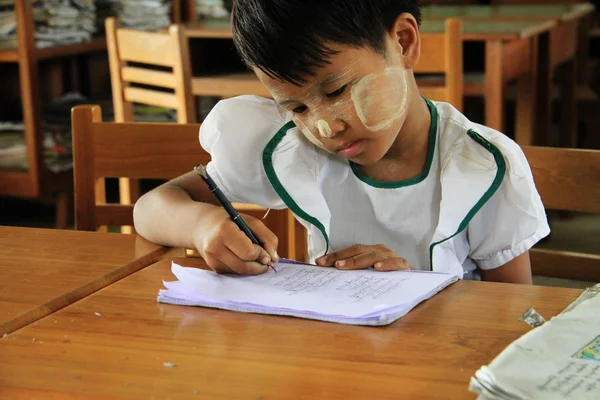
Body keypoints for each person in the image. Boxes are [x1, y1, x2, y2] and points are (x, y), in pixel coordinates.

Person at [134, 0, 549, 283]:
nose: (324, 128)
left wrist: (417, 291)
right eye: (297, 108)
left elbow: (513, 321)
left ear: (403, 42)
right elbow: (151, 208)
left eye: (336, 92)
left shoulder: (484, 168)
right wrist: (205, 225)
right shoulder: (290, 149)